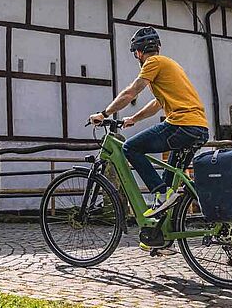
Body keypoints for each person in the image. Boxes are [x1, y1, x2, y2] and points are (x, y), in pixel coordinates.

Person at [88, 26, 209, 222]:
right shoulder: (171, 65)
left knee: (131, 147)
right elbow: (157, 103)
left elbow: (131, 92)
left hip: (181, 125)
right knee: (169, 189)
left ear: (139, 52)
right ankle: (161, 239)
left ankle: (159, 192)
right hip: (198, 128)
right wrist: (133, 119)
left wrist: (104, 113)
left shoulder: (152, 63)